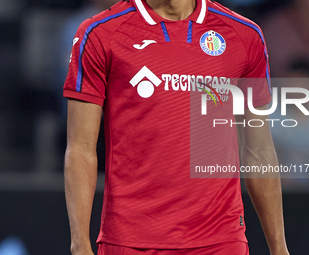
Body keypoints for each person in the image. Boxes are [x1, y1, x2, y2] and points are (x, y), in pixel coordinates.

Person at [63, 0, 289, 254]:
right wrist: (80, 244)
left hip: (220, 239)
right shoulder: (100, 32)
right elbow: (81, 148)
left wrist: (279, 247)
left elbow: (258, 151)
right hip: (130, 239)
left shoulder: (244, 34)